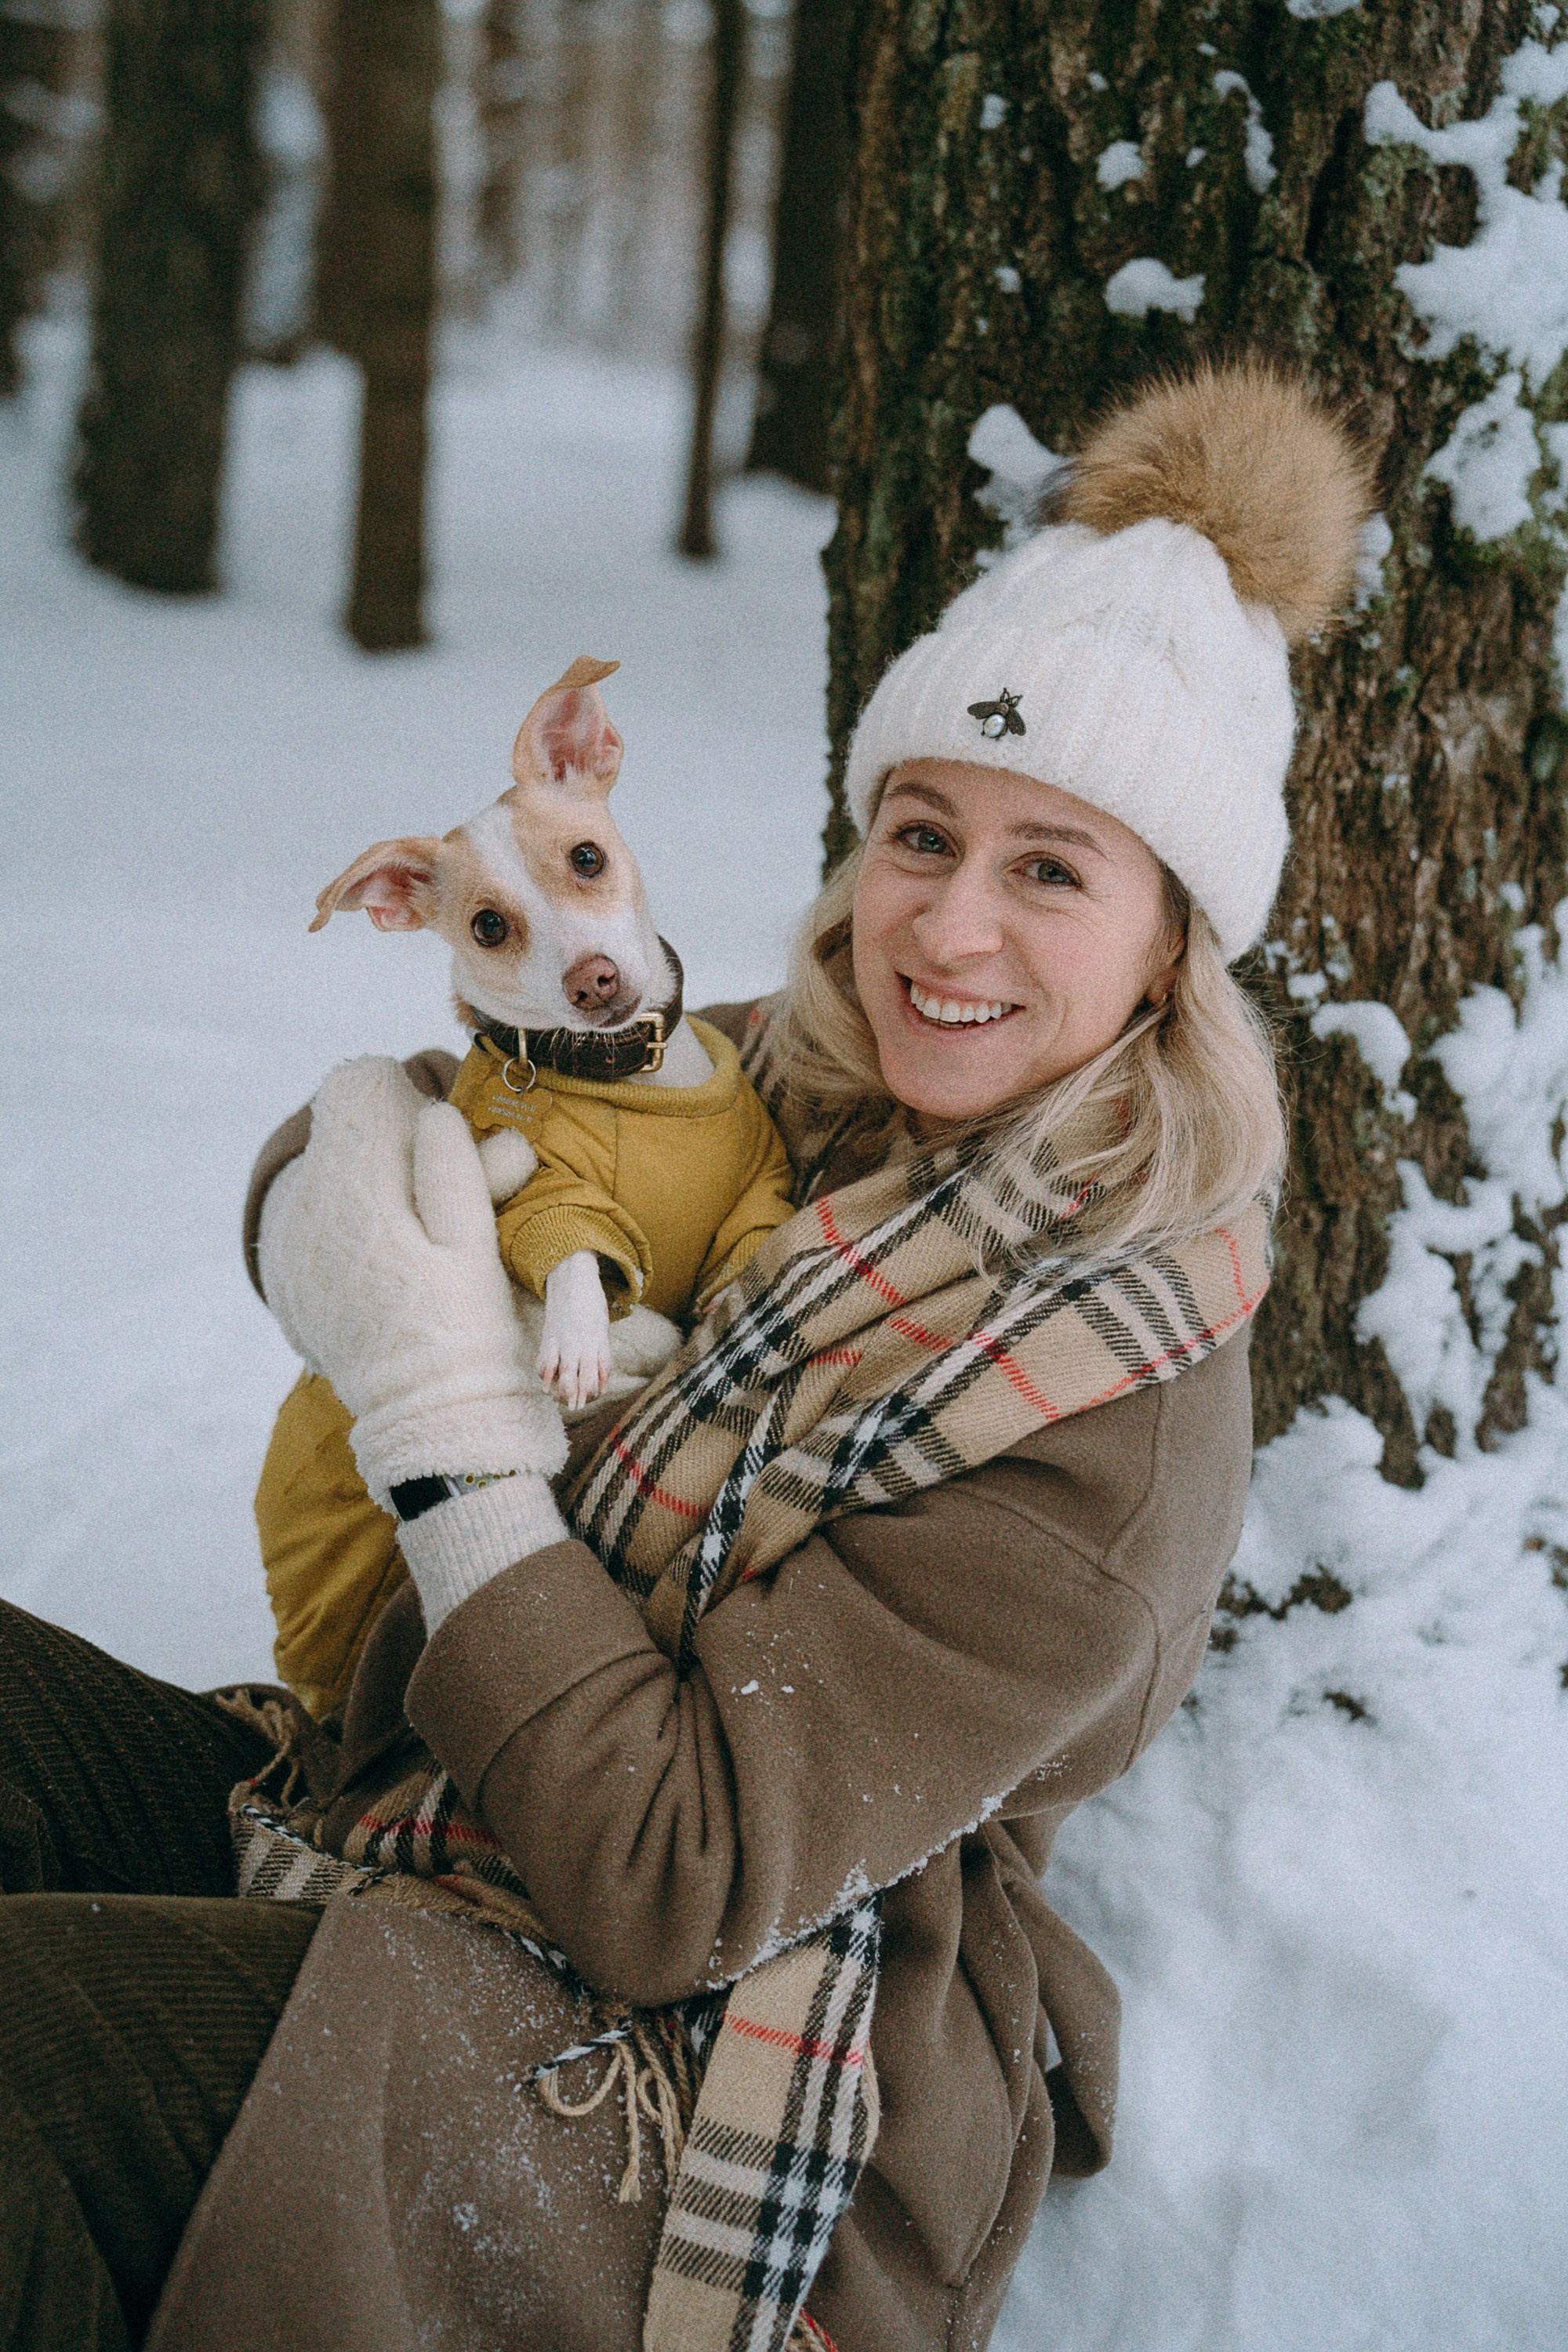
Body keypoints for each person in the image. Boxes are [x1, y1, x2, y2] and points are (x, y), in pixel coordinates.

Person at [0, 358, 1370, 2352]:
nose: (947, 932)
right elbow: (448, 1105)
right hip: (434, 1797)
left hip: (724, 2051)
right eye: (920, 831)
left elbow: (670, 1878)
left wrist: (455, 1431)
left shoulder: (1107, 1416)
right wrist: (324, 1184)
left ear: (1173, 942)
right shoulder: (803, 1080)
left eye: (1050, 868)